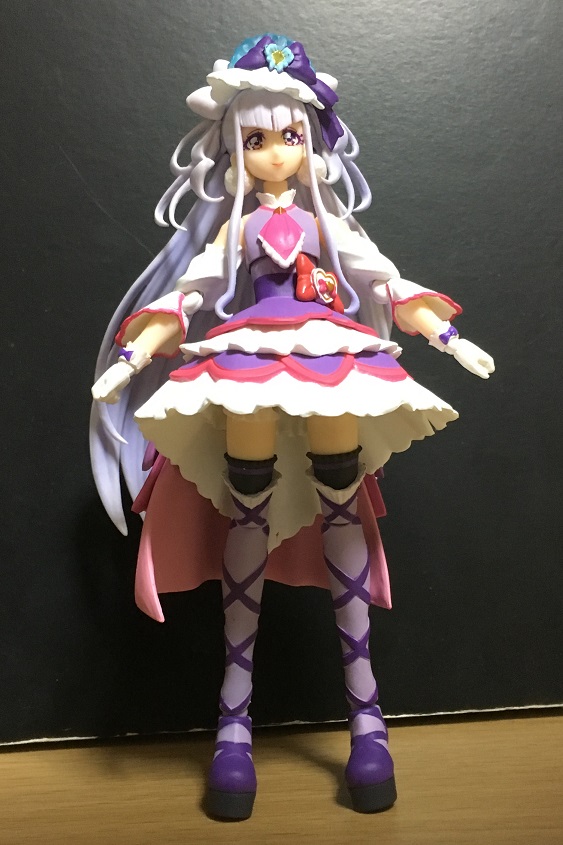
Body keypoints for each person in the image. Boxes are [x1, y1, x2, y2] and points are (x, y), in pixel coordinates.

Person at [91, 34, 494, 819]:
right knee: (246, 507)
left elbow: (385, 280)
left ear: (312, 143)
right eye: (255, 140)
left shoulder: (327, 228)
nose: (275, 153)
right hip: (248, 355)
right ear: (233, 150)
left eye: (289, 136)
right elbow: (188, 293)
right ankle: (232, 724)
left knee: (341, 502)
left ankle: (367, 723)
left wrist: (449, 337)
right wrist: (128, 356)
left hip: (329, 353)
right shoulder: (236, 231)